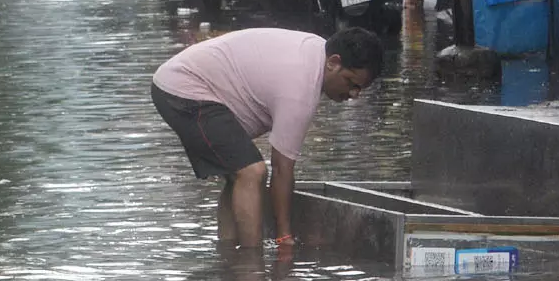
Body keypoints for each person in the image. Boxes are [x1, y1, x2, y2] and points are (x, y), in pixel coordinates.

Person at [150, 26, 385, 256]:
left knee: (238, 176)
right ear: (333, 62)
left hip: (185, 81)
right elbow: (282, 170)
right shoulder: (300, 88)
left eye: (361, 89)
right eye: (351, 83)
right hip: (184, 88)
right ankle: (251, 268)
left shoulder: (315, 52)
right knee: (252, 172)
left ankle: (228, 258)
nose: (355, 95)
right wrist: (284, 238)